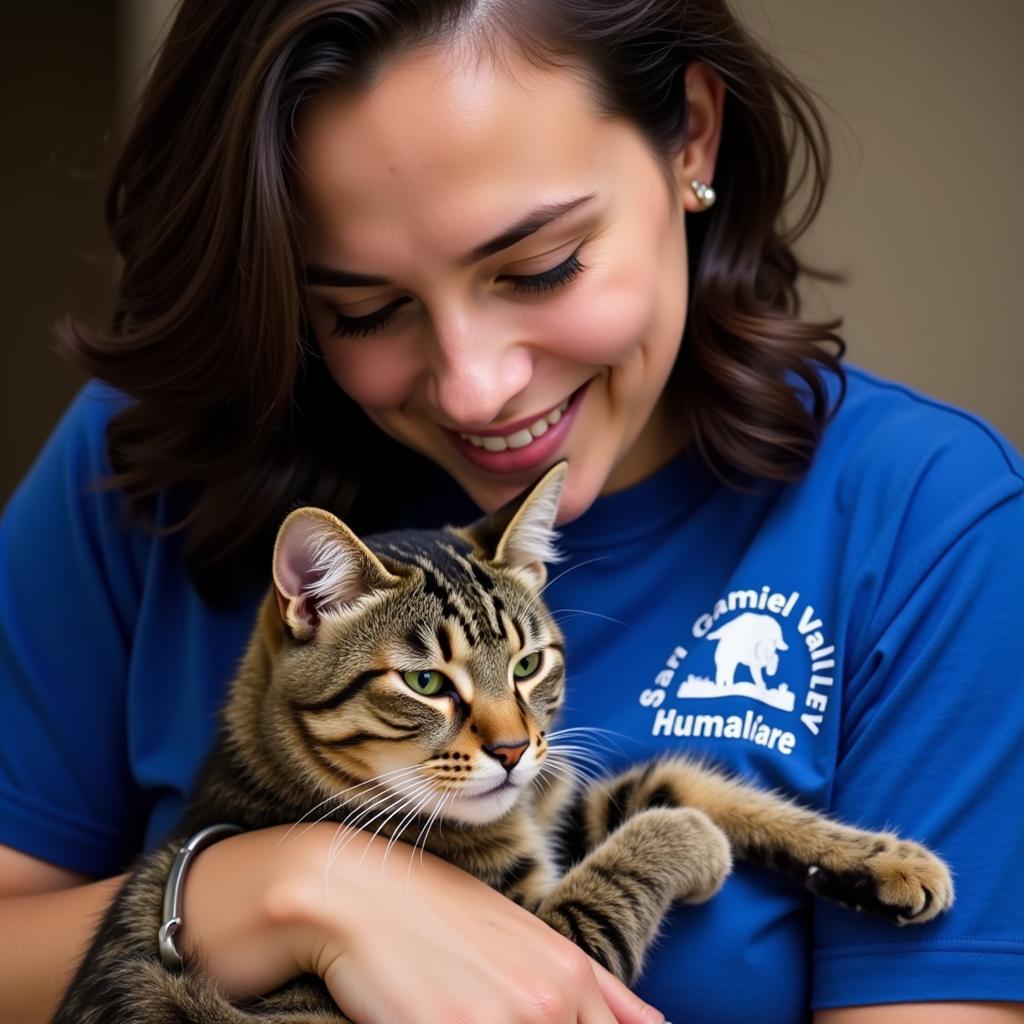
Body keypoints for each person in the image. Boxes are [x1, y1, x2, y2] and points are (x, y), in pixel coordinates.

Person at [1, 1, 1022, 1021]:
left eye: (538, 267)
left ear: (693, 137)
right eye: (362, 309)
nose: (473, 390)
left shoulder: (927, 519)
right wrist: (288, 888)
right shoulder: (145, 454)